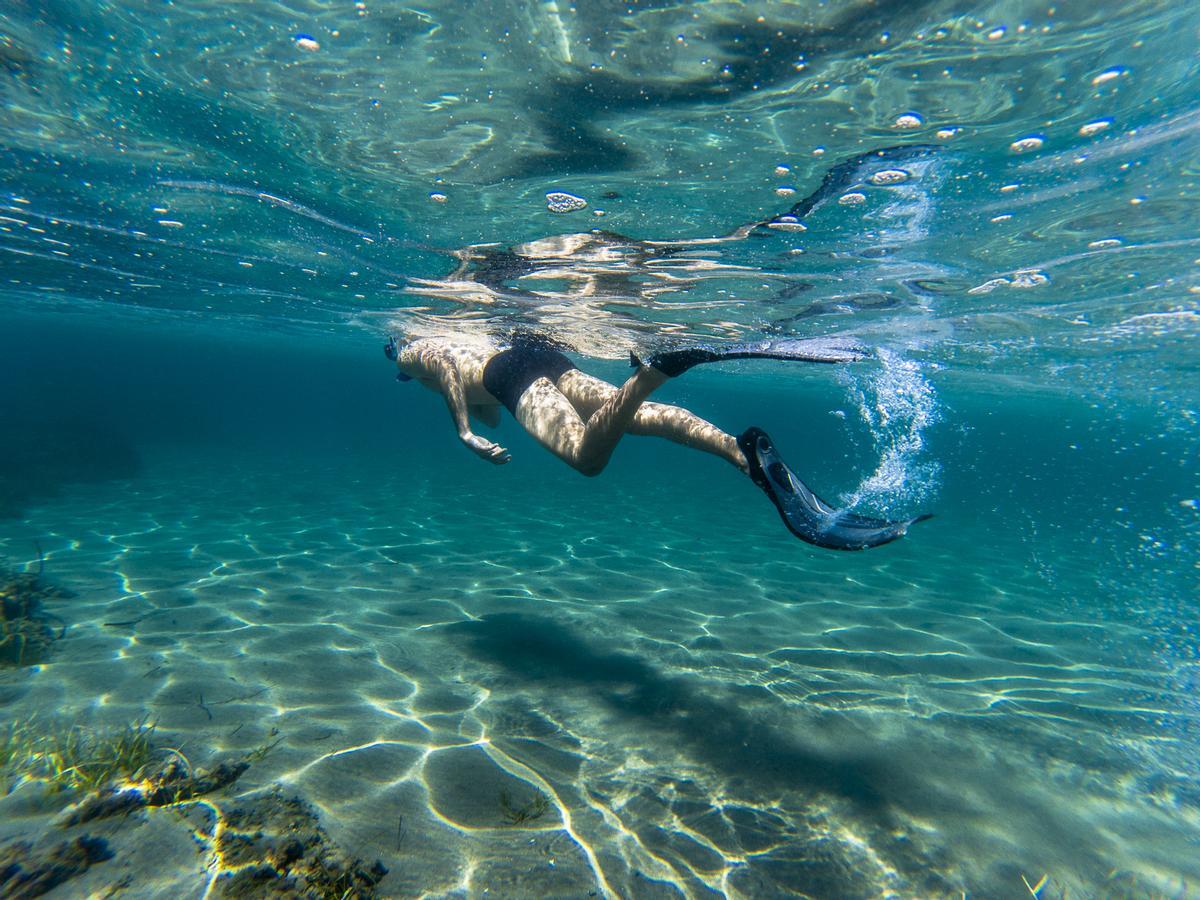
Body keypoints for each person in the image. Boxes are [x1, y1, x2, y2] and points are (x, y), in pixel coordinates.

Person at [385, 331, 928, 550]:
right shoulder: (460, 339)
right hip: (535, 353)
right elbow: (491, 407)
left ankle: (655, 371)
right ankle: (739, 453)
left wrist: (462, 431)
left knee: (584, 456)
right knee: (633, 418)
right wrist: (484, 419)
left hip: (511, 370)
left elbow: (446, 366)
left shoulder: (413, 349)